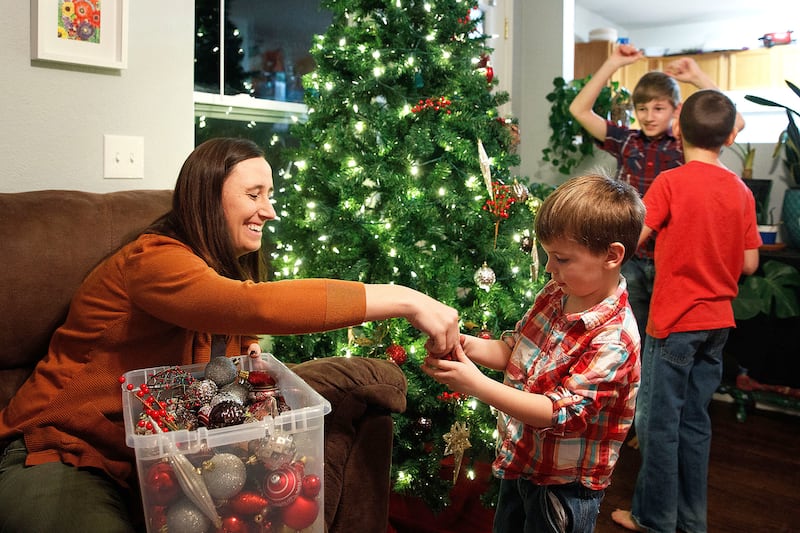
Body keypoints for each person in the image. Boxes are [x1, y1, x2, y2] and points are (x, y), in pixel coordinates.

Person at [0, 137, 460, 531]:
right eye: (254, 194)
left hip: (159, 463)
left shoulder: (217, 272)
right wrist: (407, 299)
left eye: (270, 194)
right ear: (207, 198)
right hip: (61, 449)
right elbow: (254, 305)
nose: (270, 210)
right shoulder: (155, 261)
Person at [423, 174, 645, 533]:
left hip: (564, 489)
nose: (548, 268)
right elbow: (514, 351)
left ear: (612, 255)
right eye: (547, 255)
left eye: (561, 258)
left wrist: (476, 385)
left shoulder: (614, 340)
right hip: (521, 464)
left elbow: (556, 413)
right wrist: (464, 344)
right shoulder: (555, 295)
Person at [611, 90, 761, 533]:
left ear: (677, 130)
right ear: (731, 136)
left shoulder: (671, 183)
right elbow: (751, 262)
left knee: (657, 425)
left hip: (674, 324)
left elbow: (636, 237)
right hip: (717, 327)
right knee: (695, 423)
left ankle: (654, 519)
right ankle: (692, 522)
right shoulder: (741, 190)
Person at [569, 43, 745, 343]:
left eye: (659, 108)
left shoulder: (686, 142)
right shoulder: (627, 141)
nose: (649, 116)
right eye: (642, 109)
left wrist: (698, 77)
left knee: (664, 339)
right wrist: (612, 63)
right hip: (631, 255)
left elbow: (733, 122)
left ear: (676, 110)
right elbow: (579, 110)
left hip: (672, 259)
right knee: (628, 330)